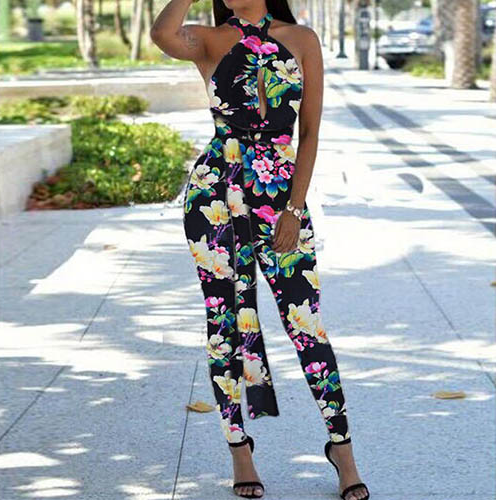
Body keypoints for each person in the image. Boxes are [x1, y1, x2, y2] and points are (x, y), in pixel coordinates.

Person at [150, 1, 370, 499]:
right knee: (223, 325)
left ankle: (342, 449)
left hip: (279, 195)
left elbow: (309, 132)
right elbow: (162, 34)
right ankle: (239, 449)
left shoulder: (302, 40)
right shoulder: (209, 40)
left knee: (306, 323)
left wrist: (293, 209)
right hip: (215, 197)